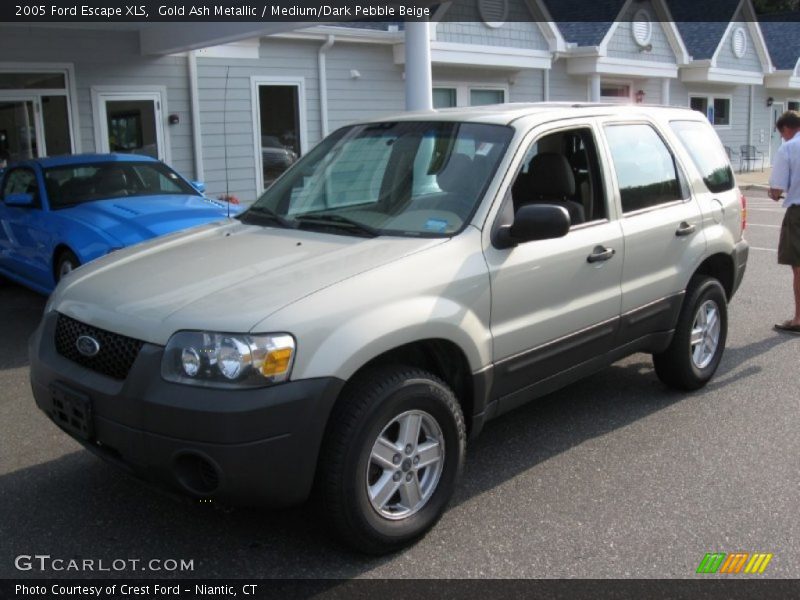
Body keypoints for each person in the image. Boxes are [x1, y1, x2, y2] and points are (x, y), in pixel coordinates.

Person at [768, 110, 800, 334]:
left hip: (798, 212)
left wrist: (773, 193)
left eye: (782, 134)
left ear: (786, 129)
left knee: (798, 267)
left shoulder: (788, 148)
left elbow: (777, 188)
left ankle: (799, 318)